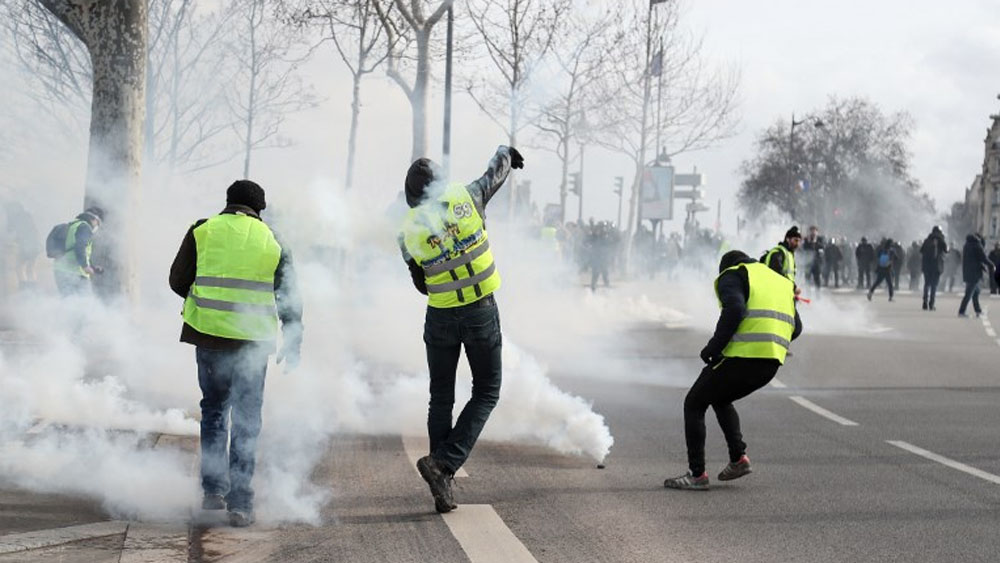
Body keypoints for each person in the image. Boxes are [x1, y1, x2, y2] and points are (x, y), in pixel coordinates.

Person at [169, 180, 303, 527]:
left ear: (228, 202)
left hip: (209, 337)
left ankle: (213, 490)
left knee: (214, 411)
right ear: (259, 209)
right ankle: (240, 503)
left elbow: (176, 280)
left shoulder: (203, 230)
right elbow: (289, 294)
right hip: (252, 344)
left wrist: (203, 299)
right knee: (246, 420)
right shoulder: (272, 239)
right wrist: (293, 338)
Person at [398, 146, 522, 513]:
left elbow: (420, 284)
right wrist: (505, 153)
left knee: (441, 398)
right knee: (487, 390)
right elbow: (493, 176)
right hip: (480, 310)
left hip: (440, 316)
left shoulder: (406, 232)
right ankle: (445, 464)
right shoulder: (466, 198)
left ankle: (442, 481)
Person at [663, 250, 802, 491]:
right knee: (720, 397)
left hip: (743, 357)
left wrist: (713, 348)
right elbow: (797, 327)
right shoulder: (780, 281)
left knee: (694, 402)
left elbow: (735, 309)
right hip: (771, 363)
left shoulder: (734, 274)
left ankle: (697, 475)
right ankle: (738, 458)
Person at [52, 207, 103, 296]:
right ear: (94, 219)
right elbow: (80, 247)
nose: (96, 226)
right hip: (75, 273)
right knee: (84, 304)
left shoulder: (73, 225)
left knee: (69, 302)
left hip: (60, 270)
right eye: (97, 223)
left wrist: (92, 267)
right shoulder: (85, 227)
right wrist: (85, 266)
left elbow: (78, 250)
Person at [958, 233, 993, 318]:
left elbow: (974, 258)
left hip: (968, 272)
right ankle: (962, 311)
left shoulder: (967, 245)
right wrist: (992, 265)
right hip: (974, 273)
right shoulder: (977, 245)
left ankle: (978, 310)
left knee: (976, 292)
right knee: (969, 293)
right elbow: (983, 258)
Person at [762, 226, 801, 294]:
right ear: (788, 239)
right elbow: (777, 274)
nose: (797, 244)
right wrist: (793, 288)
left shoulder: (789, 254)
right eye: (795, 240)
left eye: (799, 241)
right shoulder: (779, 253)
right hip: (774, 293)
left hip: (783, 293)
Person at [920, 226, 947, 311]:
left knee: (926, 284)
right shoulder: (941, 240)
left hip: (927, 266)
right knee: (934, 285)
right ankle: (931, 303)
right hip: (937, 266)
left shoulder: (927, 240)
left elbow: (921, 251)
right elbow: (946, 250)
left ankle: (924, 302)